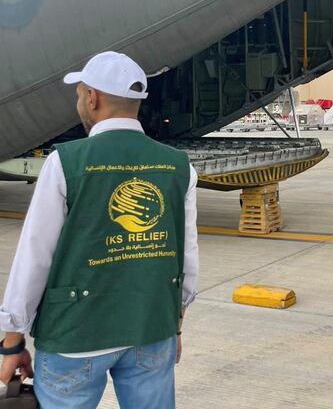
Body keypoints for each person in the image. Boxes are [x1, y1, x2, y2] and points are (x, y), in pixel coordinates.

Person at [0, 51, 199, 409]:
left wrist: (13, 340)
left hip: (76, 335)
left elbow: (34, 257)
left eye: (79, 93)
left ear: (92, 98)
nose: (79, 101)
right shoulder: (178, 165)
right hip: (151, 329)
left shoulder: (66, 162)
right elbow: (186, 260)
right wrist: (174, 328)